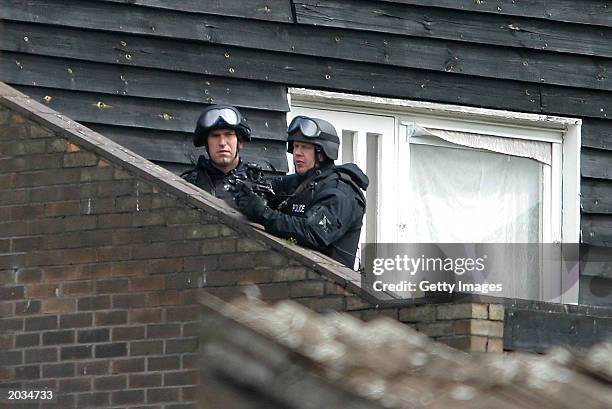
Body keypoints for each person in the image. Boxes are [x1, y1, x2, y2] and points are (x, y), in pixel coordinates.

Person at [232, 116, 369, 269]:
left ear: (322, 153)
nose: (297, 153)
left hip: (331, 285)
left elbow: (314, 233)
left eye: (304, 147)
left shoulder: (341, 191)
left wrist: (263, 213)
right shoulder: (302, 182)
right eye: (296, 146)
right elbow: (269, 185)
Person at [181, 104, 251, 206]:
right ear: (206, 143)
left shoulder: (259, 186)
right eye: (215, 136)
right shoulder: (188, 185)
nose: (222, 142)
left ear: (239, 141)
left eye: (228, 134)